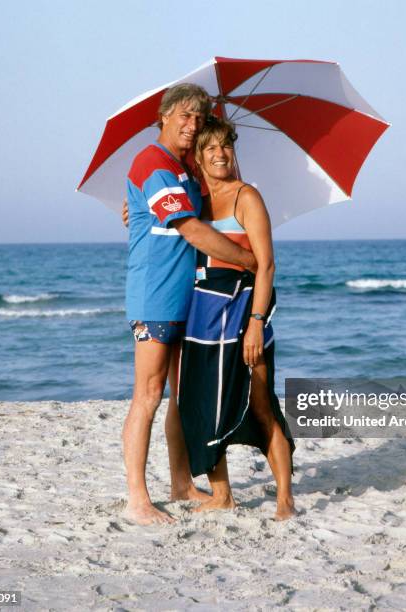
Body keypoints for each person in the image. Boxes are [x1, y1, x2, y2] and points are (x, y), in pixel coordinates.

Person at [122, 84, 257, 525]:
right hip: (155, 297)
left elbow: (209, 209)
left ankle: (181, 483)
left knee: (180, 397)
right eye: (183, 116)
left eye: (198, 118)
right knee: (147, 395)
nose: (192, 125)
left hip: (191, 298)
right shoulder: (151, 163)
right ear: (162, 116)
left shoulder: (186, 169)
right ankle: (137, 499)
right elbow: (191, 229)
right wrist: (246, 260)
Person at [177, 116, 296, 520]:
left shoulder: (248, 197)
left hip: (245, 317)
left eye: (225, 145)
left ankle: (285, 498)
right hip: (204, 323)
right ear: (198, 155)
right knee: (204, 405)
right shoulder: (192, 199)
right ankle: (222, 494)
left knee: (261, 406)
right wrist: (133, 212)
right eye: (210, 147)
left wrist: (257, 322)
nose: (219, 154)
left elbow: (266, 266)